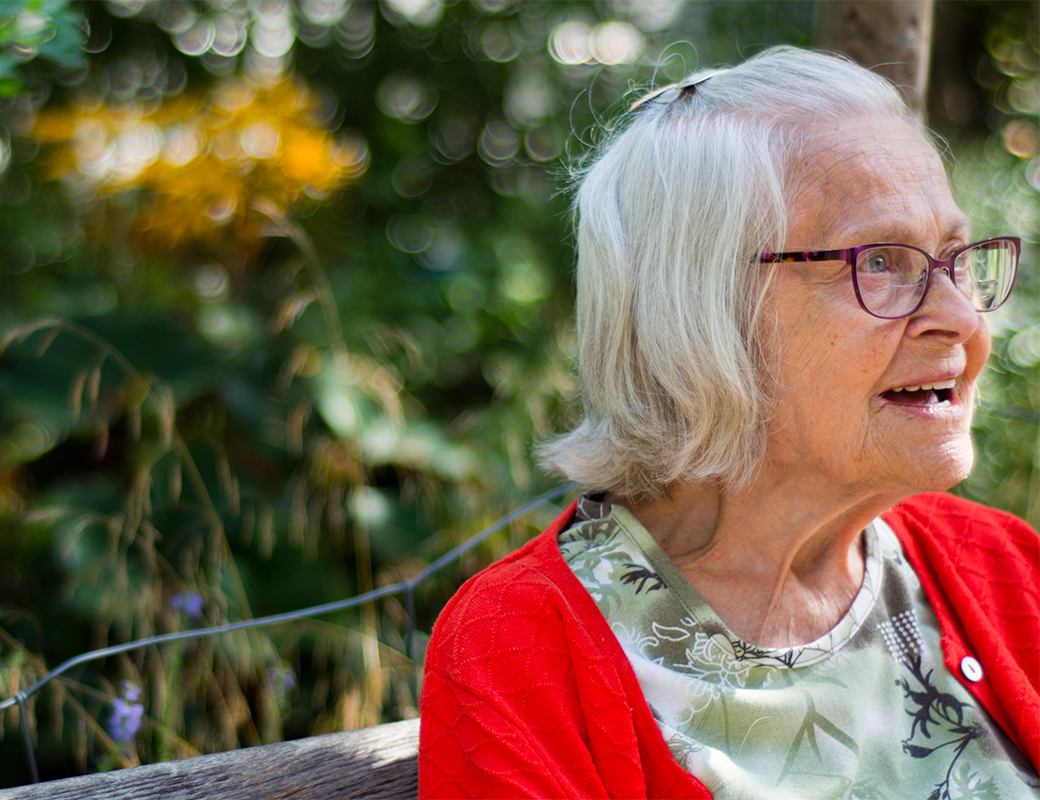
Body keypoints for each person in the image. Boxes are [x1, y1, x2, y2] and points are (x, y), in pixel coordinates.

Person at [418, 47, 1039, 799]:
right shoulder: (524, 647)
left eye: (956, 259)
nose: (960, 318)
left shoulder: (1003, 566)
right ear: (701, 310)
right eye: (880, 261)